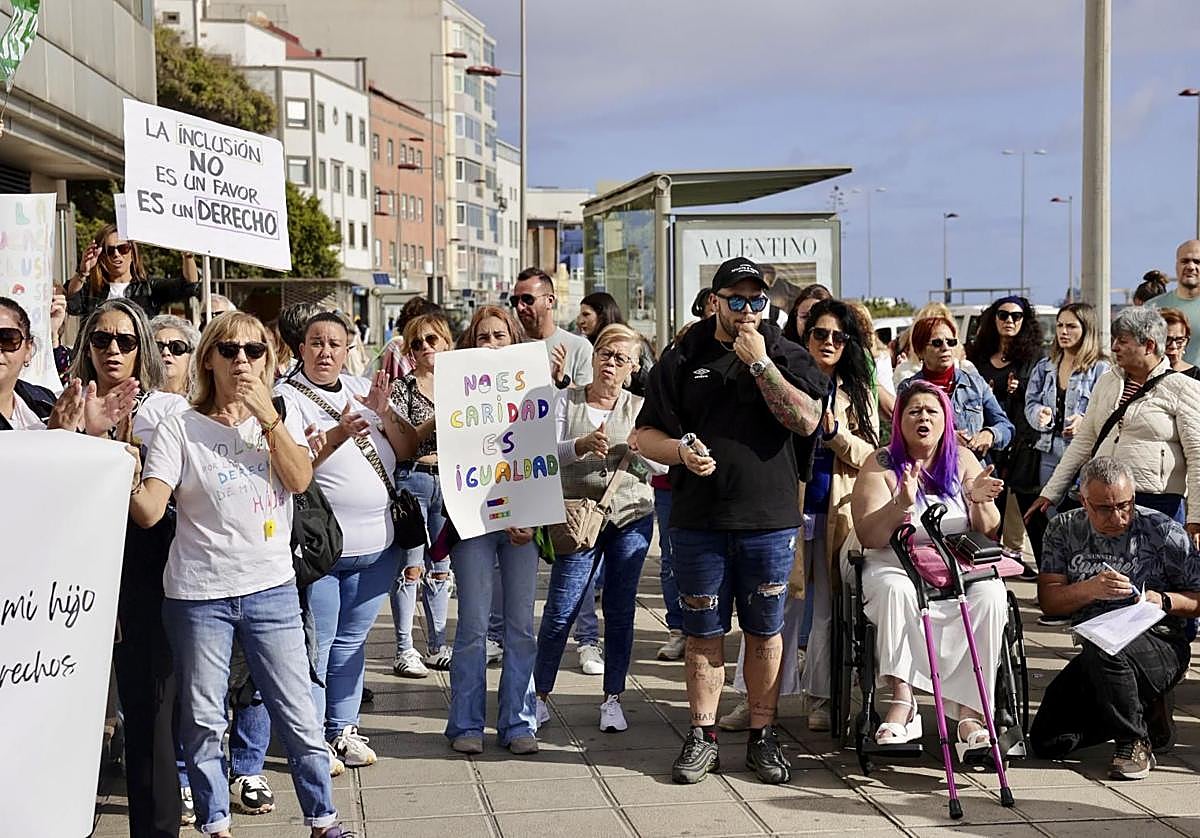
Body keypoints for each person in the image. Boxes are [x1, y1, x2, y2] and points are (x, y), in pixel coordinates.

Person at [129, 312, 350, 838]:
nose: (242, 361)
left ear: (268, 359)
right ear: (209, 358)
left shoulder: (276, 416)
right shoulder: (180, 426)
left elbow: (299, 480)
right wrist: (121, 467)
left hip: (271, 589)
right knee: (205, 720)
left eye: (254, 351)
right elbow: (150, 511)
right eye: (229, 351)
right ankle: (216, 825)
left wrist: (267, 418)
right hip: (199, 595)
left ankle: (323, 821)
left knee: (298, 713)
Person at [636, 256, 828, 785]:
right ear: (714, 301)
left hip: (769, 521)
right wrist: (679, 451)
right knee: (703, 633)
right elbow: (644, 434)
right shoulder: (684, 354)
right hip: (699, 520)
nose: (747, 310)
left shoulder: (785, 352)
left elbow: (807, 420)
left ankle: (764, 736)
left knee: (765, 631)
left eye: (756, 300)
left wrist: (761, 365)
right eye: (736, 299)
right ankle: (702, 736)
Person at [722, 299, 879, 734]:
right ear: (804, 336)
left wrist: (836, 435)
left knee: (827, 609)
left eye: (838, 337)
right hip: (782, 508)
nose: (828, 342)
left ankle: (822, 697)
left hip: (835, 512)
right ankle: (754, 698)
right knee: (774, 606)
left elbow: (871, 454)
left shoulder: (857, 392)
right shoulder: (782, 375)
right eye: (819, 333)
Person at [72, 299, 189, 837]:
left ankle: (157, 828)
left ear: (143, 348)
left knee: (149, 710)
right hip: (77, 564)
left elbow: (160, 504)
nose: (113, 350)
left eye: (125, 340)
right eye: (101, 339)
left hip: (146, 564)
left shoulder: (167, 411)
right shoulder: (66, 404)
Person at [278, 310, 408, 772]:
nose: (325, 352)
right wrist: (337, 434)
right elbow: (294, 470)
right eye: (316, 342)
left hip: (378, 546)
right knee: (318, 645)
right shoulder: (287, 398)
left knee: (352, 643)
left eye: (335, 343)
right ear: (301, 348)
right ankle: (311, 739)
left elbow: (402, 449)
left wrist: (384, 412)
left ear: (347, 349)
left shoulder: (360, 388)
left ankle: (343, 728)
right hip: (324, 551)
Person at [849, 380, 1006, 750]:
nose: (923, 418)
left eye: (932, 411)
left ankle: (971, 712)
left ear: (946, 420)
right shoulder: (880, 463)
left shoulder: (963, 460)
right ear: (899, 419)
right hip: (894, 562)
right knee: (895, 590)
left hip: (955, 567)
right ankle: (903, 703)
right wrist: (899, 503)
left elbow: (989, 529)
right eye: (914, 411)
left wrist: (978, 501)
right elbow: (869, 535)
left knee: (991, 594)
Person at [1031, 457, 1200, 780]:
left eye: (1125, 505)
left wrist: (1163, 600)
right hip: (1096, 643)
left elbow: (1198, 598)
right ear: (1084, 502)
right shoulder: (1064, 529)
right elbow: (1050, 602)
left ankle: (1133, 741)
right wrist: (1089, 589)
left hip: (1161, 642)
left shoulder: (1162, 530)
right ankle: (1143, 708)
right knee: (1048, 740)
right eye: (1105, 509)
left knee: (1106, 648)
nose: (1118, 516)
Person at [534, 324, 663, 733]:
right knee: (561, 609)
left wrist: (642, 452)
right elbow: (544, 454)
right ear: (592, 357)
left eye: (621, 358)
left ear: (633, 367)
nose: (611, 363)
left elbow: (662, 466)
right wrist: (581, 446)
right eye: (605, 353)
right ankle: (538, 696)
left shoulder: (642, 408)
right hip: (577, 518)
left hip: (630, 516)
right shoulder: (565, 400)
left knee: (621, 611)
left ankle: (613, 698)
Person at [442, 305, 540, 756]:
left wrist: (531, 512)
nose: (492, 343)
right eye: (483, 336)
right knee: (473, 627)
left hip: (522, 524)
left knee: (520, 627)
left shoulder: (534, 385)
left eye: (500, 335)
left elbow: (541, 455)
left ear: (514, 339)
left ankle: (518, 722)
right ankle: (466, 723)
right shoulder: (458, 390)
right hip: (473, 522)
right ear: (471, 342)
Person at [1030, 307, 1200, 535]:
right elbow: (1084, 441)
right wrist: (1050, 492)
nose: (1114, 347)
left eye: (1122, 341)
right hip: (1103, 502)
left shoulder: (1183, 388)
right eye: (1114, 340)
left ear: (1149, 346)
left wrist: (1196, 519)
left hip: (1158, 507)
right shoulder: (1107, 382)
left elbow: (1197, 455)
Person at [388, 312, 456, 678]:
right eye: (416, 343)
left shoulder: (461, 383)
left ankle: (438, 644)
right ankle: (404, 647)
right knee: (410, 566)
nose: (425, 347)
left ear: (446, 342)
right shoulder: (403, 388)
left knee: (441, 565)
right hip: (413, 477)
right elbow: (403, 440)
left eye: (432, 339)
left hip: (450, 479)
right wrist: (436, 419)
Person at [1022, 303, 1110, 573]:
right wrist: (1039, 414)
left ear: (1086, 329)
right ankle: (1062, 575)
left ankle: (1084, 573)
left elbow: (1108, 410)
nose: (1063, 331)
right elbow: (1030, 403)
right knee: (1051, 515)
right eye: (1060, 325)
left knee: (1086, 516)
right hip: (1048, 450)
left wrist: (1085, 420)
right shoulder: (1045, 366)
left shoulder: (1101, 369)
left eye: (1071, 326)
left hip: (1085, 455)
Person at [966, 296, 1044, 578]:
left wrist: (1019, 390)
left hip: (1022, 442)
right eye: (1002, 315)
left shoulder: (1034, 359)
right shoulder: (977, 357)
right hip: (986, 444)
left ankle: (1048, 575)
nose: (1009, 320)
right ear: (993, 319)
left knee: (1030, 510)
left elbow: (1038, 399)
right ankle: (986, 570)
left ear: (1025, 321)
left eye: (1016, 316)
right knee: (989, 509)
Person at [898, 316, 1014, 461]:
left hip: (973, 469)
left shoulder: (976, 384)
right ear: (920, 351)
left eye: (951, 342)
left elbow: (1006, 427)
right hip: (928, 469)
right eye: (937, 343)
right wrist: (945, 438)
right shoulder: (909, 389)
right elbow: (901, 436)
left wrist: (990, 434)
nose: (945, 348)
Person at [66, 225, 201, 320]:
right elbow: (72, 303)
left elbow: (189, 286)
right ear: (102, 257)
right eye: (110, 251)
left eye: (123, 249)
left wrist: (188, 256)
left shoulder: (149, 288)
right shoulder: (92, 289)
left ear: (132, 253)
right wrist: (83, 272)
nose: (117, 254)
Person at [511, 267, 593, 389]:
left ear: (549, 301)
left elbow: (587, 398)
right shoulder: (510, 347)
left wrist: (563, 381)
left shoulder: (580, 348)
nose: (520, 307)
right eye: (515, 300)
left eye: (528, 299)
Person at [1147, 241, 1200, 365]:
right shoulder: (1152, 308)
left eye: (1197, 262)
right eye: (1185, 261)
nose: (1191, 267)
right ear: (1176, 265)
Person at [151, 314, 201, 397]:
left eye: (177, 347)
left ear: (191, 355)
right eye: (158, 347)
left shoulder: (204, 398)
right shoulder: (139, 399)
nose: (166, 352)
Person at [1161, 307, 1200, 380]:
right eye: (1167, 340)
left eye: (1179, 340)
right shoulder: (1141, 374)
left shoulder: (1196, 375)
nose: (1173, 346)